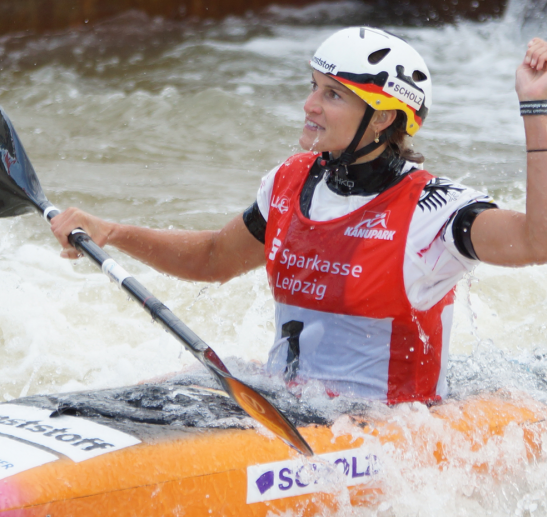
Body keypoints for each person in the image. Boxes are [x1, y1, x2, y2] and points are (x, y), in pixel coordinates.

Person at [50, 27, 547, 404]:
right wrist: (109, 231)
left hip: (382, 428)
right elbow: (211, 259)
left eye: (332, 94)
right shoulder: (291, 180)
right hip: (286, 401)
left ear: (383, 117)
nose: (309, 105)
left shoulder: (432, 210)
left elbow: (535, 241)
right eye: (313, 87)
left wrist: (537, 106)